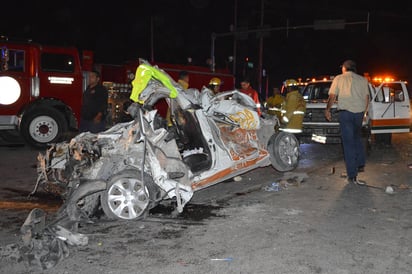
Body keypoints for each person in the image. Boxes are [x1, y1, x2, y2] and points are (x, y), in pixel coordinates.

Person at [324, 60, 369, 186]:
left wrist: (327, 109)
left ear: (345, 68)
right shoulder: (363, 80)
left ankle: (352, 174)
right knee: (357, 138)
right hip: (359, 113)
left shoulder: (339, 78)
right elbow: (366, 98)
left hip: (346, 114)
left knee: (348, 143)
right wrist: (365, 113)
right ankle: (360, 162)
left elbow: (332, 96)